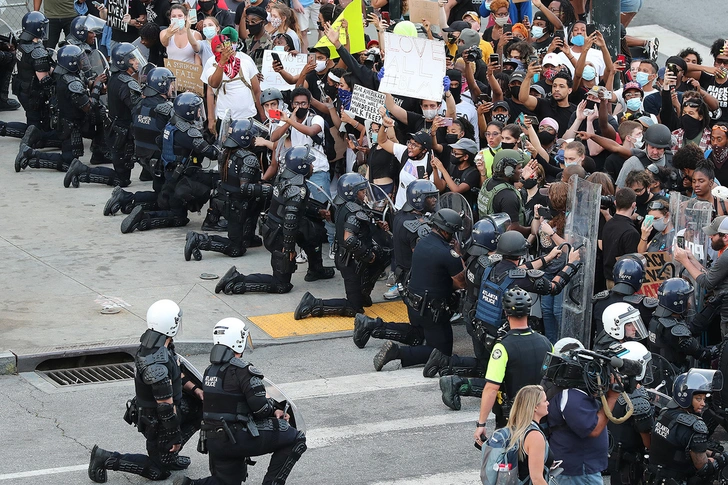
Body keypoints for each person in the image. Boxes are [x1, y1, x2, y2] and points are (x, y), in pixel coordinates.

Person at [174, 318, 306, 485]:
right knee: (295, 438)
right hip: (236, 438)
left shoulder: (210, 371)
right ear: (239, 340)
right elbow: (261, 410)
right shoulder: (244, 370)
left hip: (214, 440)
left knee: (227, 482)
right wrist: (275, 410)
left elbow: (227, 404)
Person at [88, 300, 203, 483]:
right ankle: (105, 458)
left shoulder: (161, 343)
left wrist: (197, 391)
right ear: (170, 324)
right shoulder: (155, 361)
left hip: (169, 410)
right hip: (157, 421)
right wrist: (175, 437)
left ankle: (167, 455)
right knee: (159, 471)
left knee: (202, 409)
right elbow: (165, 408)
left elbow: (177, 373)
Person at [214, 146, 334, 295]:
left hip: (278, 226)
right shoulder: (296, 189)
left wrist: (317, 211)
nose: (313, 166)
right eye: (310, 164)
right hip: (279, 234)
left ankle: (316, 270)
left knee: (313, 232)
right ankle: (238, 280)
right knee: (281, 285)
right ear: (302, 167)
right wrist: (289, 249)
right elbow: (290, 221)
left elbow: (297, 208)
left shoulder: (286, 178)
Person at [370, 208, 466, 372]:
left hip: (414, 305)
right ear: (445, 231)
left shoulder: (422, 243)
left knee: (420, 335)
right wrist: (458, 254)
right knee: (442, 353)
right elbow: (462, 282)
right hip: (432, 312)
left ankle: (373, 327)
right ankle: (397, 352)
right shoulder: (447, 253)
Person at [353, 181, 439, 346]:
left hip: (404, 276)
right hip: (416, 281)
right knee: (420, 333)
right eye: (430, 198)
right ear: (419, 200)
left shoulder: (400, 215)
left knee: (419, 328)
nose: (434, 201)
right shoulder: (418, 226)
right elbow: (424, 256)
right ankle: (371, 326)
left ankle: (371, 326)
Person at [120, 92, 220, 233]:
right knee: (179, 216)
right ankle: (143, 218)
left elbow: (160, 141)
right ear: (189, 111)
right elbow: (213, 154)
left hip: (170, 174)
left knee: (165, 202)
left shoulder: (172, 123)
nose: (199, 112)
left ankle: (127, 200)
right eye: (198, 109)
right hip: (182, 178)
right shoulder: (188, 132)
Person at [294, 174, 390, 319]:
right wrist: (368, 256)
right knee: (354, 308)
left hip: (345, 257)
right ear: (352, 192)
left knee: (382, 257)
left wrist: (375, 222)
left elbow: (361, 216)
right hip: (351, 263)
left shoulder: (341, 204)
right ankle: (313, 304)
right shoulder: (354, 213)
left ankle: (362, 295)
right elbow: (350, 239)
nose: (365, 194)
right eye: (362, 191)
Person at [470, 286, 552, 442]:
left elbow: (491, 388)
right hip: (541, 419)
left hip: (512, 421)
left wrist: (481, 423)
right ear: (529, 311)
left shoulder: (502, 347)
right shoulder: (546, 343)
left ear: (506, 313)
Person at [185, 119, 271, 261]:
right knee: (236, 248)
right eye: (253, 136)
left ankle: (247, 237)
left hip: (226, 200)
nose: (255, 139)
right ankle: (199, 240)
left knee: (246, 229)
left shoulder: (226, 152)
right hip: (237, 205)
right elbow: (244, 188)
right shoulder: (248, 159)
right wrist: (267, 190)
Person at [64, 42, 146, 189]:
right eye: (133, 59)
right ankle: (81, 170)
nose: (137, 61)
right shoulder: (127, 84)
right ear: (124, 62)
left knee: (123, 173)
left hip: (115, 130)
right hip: (122, 133)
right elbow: (137, 108)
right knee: (122, 180)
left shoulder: (115, 76)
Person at [14, 45, 102, 174]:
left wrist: (92, 83)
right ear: (71, 62)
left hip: (63, 119)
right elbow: (88, 106)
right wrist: (97, 88)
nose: (83, 62)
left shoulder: (61, 72)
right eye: (80, 60)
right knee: (69, 162)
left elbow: (81, 81)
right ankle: (29, 154)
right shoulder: (72, 84)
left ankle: (39, 137)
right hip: (71, 124)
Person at [544, 340, 620, 485]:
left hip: (576, 468)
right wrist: (612, 397)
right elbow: (594, 430)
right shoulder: (570, 395)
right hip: (577, 471)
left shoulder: (562, 387)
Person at [103, 67, 176, 217]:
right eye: (170, 83)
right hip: (161, 163)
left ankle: (126, 200)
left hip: (145, 159)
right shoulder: (165, 110)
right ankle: (126, 198)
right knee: (174, 202)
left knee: (162, 193)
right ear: (162, 85)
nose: (173, 87)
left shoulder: (139, 105)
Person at [648, 369, 727, 485]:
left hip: (655, 477)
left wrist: (711, 453)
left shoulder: (665, 414)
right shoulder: (695, 426)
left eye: (704, 399)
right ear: (685, 397)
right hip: (678, 479)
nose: (703, 404)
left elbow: (679, 444)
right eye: (698, 399)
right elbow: (704, 468)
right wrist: (723, 458)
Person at [606, 341, 655, 485]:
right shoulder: (639, 402)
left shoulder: (608, 392)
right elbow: (649, 443)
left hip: (613, 462)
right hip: (631, 469)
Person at [648, 278, 717, 371]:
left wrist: (712, 307)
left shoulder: (656, 319)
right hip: (673, 380)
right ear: (678, 302)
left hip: (657, 374)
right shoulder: (674, 330)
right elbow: (704, 355)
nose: (689, 303)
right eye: (687, 299)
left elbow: (691, 329)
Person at [12, 11, 55, 156]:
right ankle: (27, 148)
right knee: (37, 130)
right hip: (34, 94)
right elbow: (45, 80)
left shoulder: (22, 43)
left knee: (31, 120)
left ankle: (3, 128)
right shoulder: (37, 53)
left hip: (22, 89)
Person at [505, 385, 553, 485]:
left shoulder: (514, 427)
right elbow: (537, 479)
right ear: (535, 407)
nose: (548, 403)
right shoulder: (534, 436)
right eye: (545, 401)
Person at [477, 149, 532, 234]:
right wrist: (534, 230)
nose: (522, 171)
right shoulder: (509, 196)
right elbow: (513, 228)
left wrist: (522, 179)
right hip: (505, 242)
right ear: (508, 171)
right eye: (520, 168)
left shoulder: (488, 182)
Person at [601, 188, 640, 288]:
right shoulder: (631, 232)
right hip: (623, 284)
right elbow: (632, 263)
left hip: (608, 279)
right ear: (633, 205)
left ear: (615, 203)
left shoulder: (608, 224)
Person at [615, 123, 672, 188]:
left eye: (659, 148)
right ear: (646, 145)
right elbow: (620, 190)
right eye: (652, 147)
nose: (655, 152)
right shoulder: (632, 163)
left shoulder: (672, 160)